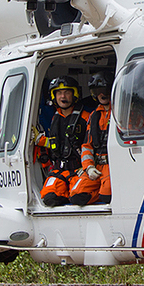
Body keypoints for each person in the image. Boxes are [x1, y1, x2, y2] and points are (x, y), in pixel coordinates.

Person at [37, 76, 90, 207]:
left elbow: (90, 144)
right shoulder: (55, 117)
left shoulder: (86, 117)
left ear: (74, 94)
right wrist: (41, 141)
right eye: (59, 93)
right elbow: (57, 143)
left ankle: (72, 192)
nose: (63, 96)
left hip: (79, 169)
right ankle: (66, 192)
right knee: (49, 198)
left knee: (79, 197)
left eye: (67, 92)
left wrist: (88, 167)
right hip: (59, 170)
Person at [70, 72, 112, 205]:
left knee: (107, 196)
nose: (101, 94)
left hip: (112, 165)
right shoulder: (94, 116)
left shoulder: (123, 111)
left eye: (104, 90)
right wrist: (88, 167)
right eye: (97, 91)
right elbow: (87, 145)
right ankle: (99, 192)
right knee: (76, 196)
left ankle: (102, 192)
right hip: (97, 165)